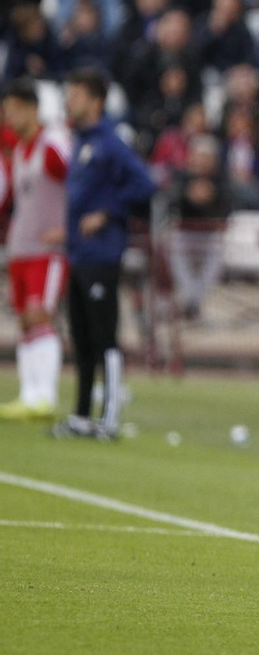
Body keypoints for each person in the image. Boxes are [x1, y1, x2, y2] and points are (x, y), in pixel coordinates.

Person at [55, 69, 156, 439]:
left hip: (102, 253)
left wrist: (108, 212)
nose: (69, 101)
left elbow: (145, 184)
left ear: (95, 100)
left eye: (76, 94)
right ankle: (82, 415)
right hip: (79, 253)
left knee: (104, 336)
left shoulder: (110, 142)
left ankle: (109, 416)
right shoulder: (81, 140)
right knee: (81, 337)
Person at [0, 79, 70, 421]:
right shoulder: (17, 152)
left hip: (47, 250)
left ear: (31, 108)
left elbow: (80, 184)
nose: (9, 118)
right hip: (20, 249)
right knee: (24, 321)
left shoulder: (52, 147)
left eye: (14, 110)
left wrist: (68, 227)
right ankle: (28, 394)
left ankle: (46, 395)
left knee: (39, 315)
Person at [165, 134, 231, 321]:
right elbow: (171, 204)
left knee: (217, 253)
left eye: (207, 157)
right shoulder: (181, 177)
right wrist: (188, 196)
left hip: (210, 235)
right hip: (184, 233)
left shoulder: (221, 179)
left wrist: (212, 198)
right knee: (173, 247)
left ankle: (194, 301)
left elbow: (228, 208)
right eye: (199, 156)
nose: (202, 161)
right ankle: (193, 300)